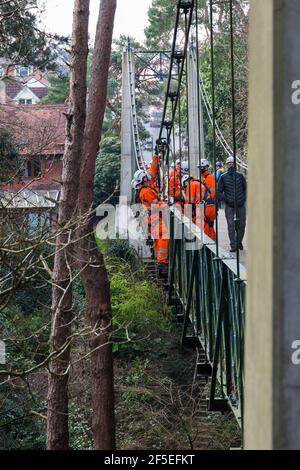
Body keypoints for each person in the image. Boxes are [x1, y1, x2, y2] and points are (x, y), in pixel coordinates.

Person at [132, 170, 169, 271]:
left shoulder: (144, 191)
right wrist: (166, 204)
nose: (149, 180)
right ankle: (162, 261)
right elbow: (155, 204)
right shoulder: (146, 191)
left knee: (158, 239)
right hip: (154, 218)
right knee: (163, 237)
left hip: (151, 219)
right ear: (143, 179)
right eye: (147, 178)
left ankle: (159, 260)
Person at [218, 156, 247, 252]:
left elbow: (245, 188)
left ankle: (238, 242)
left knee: (242, 224)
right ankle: (233, 245)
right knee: (231, 225)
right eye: (229, 163)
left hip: (240, 204)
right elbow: (218, 192)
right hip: (229, 205)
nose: (231, 165)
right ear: (226, 165)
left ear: (235, 165)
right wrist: (226, 200)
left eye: (232, 163)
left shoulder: (240, 176)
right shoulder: (223, 177)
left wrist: (243, 198)